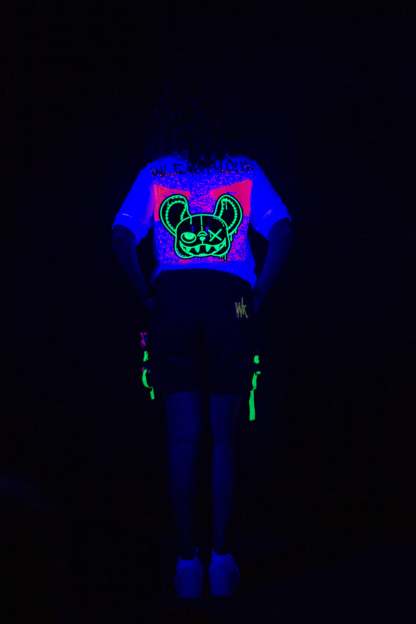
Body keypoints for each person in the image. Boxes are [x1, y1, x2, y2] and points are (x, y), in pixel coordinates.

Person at [111, 88, 292, 599]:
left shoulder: (156, 173)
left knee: (182, 438)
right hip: (233, 301)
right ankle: (223, 560)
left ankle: (188, 563)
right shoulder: (246, 168)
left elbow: (120, 236)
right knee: (223, 438)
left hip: (173, 300)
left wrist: (146, 294)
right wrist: (258, 295)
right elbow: (283, 229)